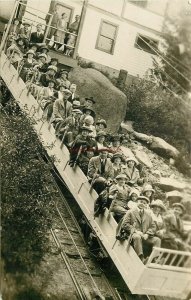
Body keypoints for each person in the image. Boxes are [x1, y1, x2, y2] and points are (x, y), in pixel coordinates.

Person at [120, 196, 161, 261]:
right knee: (137, 237)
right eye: (141, 202)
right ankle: (141, 258)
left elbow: (153, 226)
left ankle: (154, 258)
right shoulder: (130, 212)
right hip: (132, 234)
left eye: (144, 203)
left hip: (144, 236)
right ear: (137, 202)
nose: (142, 204)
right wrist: (136, 231)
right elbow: (124, 224)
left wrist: (147, 234)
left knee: (157, 240)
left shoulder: (148, 214)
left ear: (146, 205)